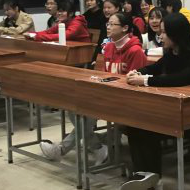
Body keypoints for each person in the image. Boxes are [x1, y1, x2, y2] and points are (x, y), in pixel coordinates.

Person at [123, 13, 190, 190]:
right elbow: (154, 68)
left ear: (177, 34)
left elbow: (179, 79)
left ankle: (153, 177)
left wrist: (145, 81)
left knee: (149, 128)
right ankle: (143, 174)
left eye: (164, 32)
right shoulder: (171, 53)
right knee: (134, 124)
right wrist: (137, 72)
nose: (160, 36)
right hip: (172, 110)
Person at [39, 13, 141, 166]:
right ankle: (97, 147)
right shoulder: (109, 47)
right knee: (72, 106)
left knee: (85, 112)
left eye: (112, 24)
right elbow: (106, 75)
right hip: (107, 93)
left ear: (125, 28)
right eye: (107, 24)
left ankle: (62, 149)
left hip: (125, 99)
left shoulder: (135, 51)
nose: (108, 27)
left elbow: (136, 84)